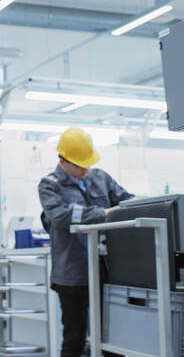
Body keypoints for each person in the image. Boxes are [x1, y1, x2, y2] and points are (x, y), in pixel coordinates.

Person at [38, 127, 133, 357]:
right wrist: (104, 213)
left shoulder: (101, 178)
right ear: (63, 161)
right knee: (74, 339)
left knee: (112, 337)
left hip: (106, 271)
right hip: (72, 275)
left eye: (86, 163)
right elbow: (60, 216)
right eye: (79, 165)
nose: (84, 169)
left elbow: (127, 202)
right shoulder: (49, 185)